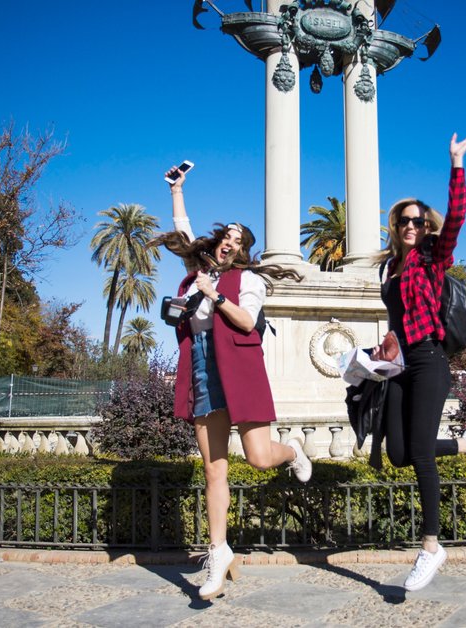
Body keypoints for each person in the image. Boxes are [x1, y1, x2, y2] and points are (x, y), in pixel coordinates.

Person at [150, 165, 311, 601]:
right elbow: (183, 233)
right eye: (229, 235)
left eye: (240, 240)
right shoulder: (200, 268)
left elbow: (246, 322)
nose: (231, 242)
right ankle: (218, 552)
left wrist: (216, 295)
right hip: (202, 365)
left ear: (244, 252)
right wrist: (177, 191)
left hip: (239, 367)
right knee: (213, 468)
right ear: (219, 240)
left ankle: (292, 451)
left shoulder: (249, 280)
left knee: (259, 458)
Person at [373, 132, 466, 592]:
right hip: (400, 364)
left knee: (423, 455)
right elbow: (394, 320)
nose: (411, 226)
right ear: (396, 225)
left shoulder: (433, 257)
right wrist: (383, 348)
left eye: (418, 221)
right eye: (405, 221)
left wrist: (456, 162)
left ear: (427, 227)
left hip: (429, 359)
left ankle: (431, 547)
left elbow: (458, 218)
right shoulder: (388, 268)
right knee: (399, 453)